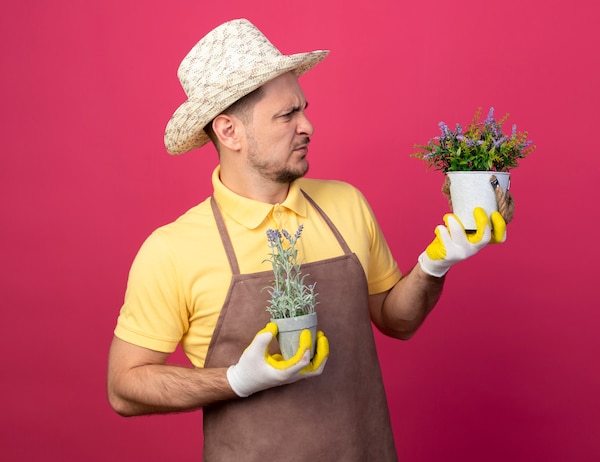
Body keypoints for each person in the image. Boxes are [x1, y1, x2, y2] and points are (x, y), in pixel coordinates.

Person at [107, 18, 508, 461]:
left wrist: (435, 265)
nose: (308, 126)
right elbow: (125, 387)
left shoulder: (346, 204)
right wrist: (236, 380)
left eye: (303, 108)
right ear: (229, 131)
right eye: (286, 114)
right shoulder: (172, 250)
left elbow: (398, 321)